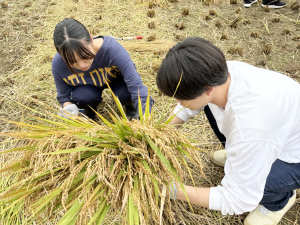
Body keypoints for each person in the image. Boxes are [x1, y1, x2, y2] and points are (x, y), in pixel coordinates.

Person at [156, 37, 300, 225]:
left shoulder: (250, 126)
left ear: (207, 90)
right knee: (207, 106)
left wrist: (172, 190)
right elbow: (191, 104)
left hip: (293, 157)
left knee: (261, 183)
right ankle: (241, 159)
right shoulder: (218, 73)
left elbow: (238, 199)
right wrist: (158, 134)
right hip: (276, 134)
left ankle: (278, 202)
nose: (178, 104)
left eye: (180, 99)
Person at [52, 18, 153, 119]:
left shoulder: (112, 50)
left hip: (116, 81)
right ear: (61, 55)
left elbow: (136, 86)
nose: (82, 65)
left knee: (126, 93)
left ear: (91, 39)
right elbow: (63, 95)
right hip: (87, 87)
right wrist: (68, 107)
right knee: (82, 97)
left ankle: (131, 108)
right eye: (72, 61)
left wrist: (144, 113)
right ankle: (89, 113)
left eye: (85, 56)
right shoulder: (58, 64)